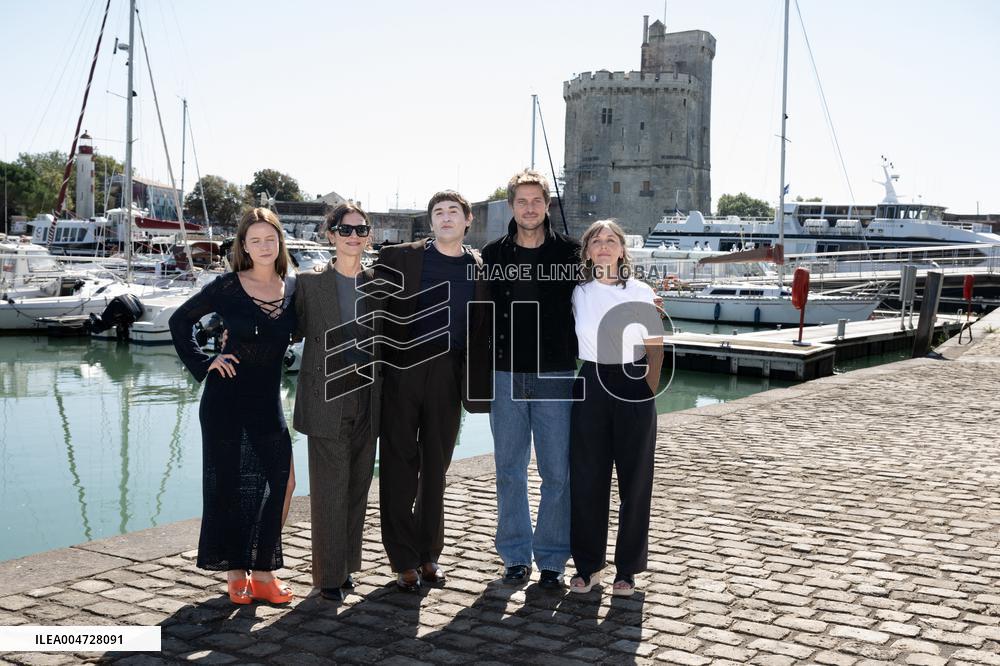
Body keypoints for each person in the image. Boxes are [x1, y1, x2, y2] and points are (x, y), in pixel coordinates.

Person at [169, 207, 297, 605]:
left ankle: (263, 572)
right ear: (244, 245)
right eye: (255, 239)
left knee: (283, 482)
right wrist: (207, 362)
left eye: (269, 238)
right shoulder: (227, 286)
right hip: (225, 400)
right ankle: (236, 572)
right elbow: (179, 321)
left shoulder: (293, 289)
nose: (263, 245)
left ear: (280, 242)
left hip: (266, 401)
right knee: (228, 486)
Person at [375, 190, 491, 592]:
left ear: (467, 220)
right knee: (398, 465)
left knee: (436, 469)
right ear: (431, 221)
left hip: (449, 373)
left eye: (452, 212)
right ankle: (403, 559)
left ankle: (428, 555)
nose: (445, 218)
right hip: (402, 371)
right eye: (438, 212)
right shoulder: (402, 257)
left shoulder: (480, 266)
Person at [480, 169, 580, 590]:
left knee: (557, 471)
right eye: (522, 201)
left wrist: (644, 297)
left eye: (536, 200)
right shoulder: (491, 256)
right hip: (505, 372)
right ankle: (516, 557)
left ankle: (553, 558)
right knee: (509, 469)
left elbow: (604, 288)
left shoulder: (571, 255)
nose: (529, 208)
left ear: (547, 205)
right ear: (511, 206)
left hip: (555, 370)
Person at [567, 220, 663, 597]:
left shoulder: (642, 291)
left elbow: (655, 349)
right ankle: (588, 567)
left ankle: (627, 569)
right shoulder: (577, 293)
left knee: (635, 480)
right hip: (590, 382)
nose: (604, 246)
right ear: (588, 251)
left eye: (611, 241)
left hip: (633, 384)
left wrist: (645, 390)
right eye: (596, 241)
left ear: (622, 250)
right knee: (587, 479)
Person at [293, 202, 381, 601]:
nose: (353, 237)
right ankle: (328, 577)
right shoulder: (309, 284)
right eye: (346, 230)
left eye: (360, 230)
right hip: (326, 397)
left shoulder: (380, 282)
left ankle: (347, 567)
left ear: (368, 236)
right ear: (331, 236)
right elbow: (286, 330)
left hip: (369, 396)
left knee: (358, 486)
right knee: (329, 490)